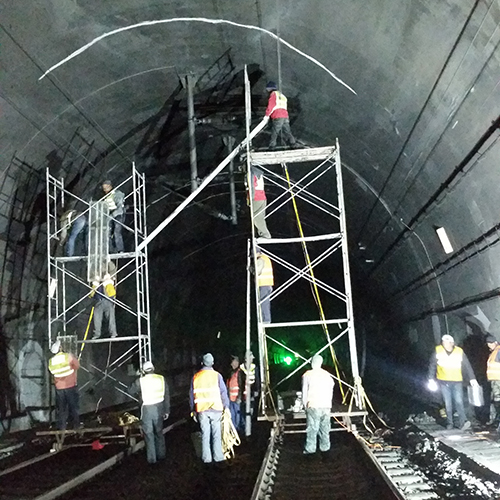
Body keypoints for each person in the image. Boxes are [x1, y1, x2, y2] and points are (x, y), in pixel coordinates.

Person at [428, 334, 479, 430]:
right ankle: (449, 423)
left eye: (447, 342)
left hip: (457, 381)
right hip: (443, 381)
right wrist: (430, 378)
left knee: (459, 401)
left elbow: (467, 365)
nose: (445, 344)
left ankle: (463, 422)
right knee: (448, 403)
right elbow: (432, 365)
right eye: (444, 342)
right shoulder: (438, 350)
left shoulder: (459, 351)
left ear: (452, 343)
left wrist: (472, 378)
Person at [190, 353, 229, 464]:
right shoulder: (217, 376)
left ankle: (206, 459)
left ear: (202, 363)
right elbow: (223, 392)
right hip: (216, 408)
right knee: (217, 434)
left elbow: (192, 395)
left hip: (202, 410)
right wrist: (226, 407)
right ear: (212, 363)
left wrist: (193, 411)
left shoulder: (196, 377)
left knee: (205, 435)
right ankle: (218, 457)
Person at [130, 361, 170, 464]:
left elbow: (130, 391)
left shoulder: (140, 381)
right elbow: (166, 396)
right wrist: (167, 410)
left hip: (146, 410)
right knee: (159, 433)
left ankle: (152, 459)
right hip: (159, 408)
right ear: (153, 368)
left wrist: (137, 376)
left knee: (149, 435)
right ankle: (161, 455)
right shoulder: (161, 379)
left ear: (143, 370)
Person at [302, 354, 334, 457]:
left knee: (312, 429)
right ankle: (325, 449)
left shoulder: (307, 374)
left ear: (312, 363)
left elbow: (304, 392)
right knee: (324, 429)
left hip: (313, 405)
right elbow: (331, 388)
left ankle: (310, 450)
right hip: (326, 406)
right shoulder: (327, 375)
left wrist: (304, 405)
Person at [48, 339, 80, 430]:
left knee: (61, 408)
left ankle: (61, 427)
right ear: (60, 348)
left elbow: (53, 372)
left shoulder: (51, 361)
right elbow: (77, 366)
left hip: (59, 388)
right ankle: (76, 426)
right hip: (70, 386)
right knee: (73, 406)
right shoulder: (68, 356)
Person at [264, 81, 296, 150]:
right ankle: (293, 143)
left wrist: (266, 115)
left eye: (267, 89)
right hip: (285, 115)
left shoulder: (273, 94)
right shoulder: (282, 95)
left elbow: (271, 106)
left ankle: (272, 146)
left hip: (278, 115)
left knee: (275, 131)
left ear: (269, 88)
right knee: (287, 131)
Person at [90, 274, 117, 339]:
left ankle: (113, 333)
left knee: (111, 318)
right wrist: (95, 285)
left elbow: (112, 293)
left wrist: (107, 281)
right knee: (97, 318)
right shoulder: (95, 282)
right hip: (98, 301)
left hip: (108, 300)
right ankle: (97, 334)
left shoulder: (108, 282)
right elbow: (90, 294)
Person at [102, 180, 125, 253]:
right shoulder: (106, 196)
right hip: (110, 214)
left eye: (106, 188)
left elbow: (119, 209)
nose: (104, 190)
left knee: (116, 232)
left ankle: (120, 249)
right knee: (107, 232)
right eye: (103, 188)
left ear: (110, 186)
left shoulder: (117, 194)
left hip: (118, 214)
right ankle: (110, 249)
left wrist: (111, 216)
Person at [248, 167, 271, 239]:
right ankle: (263, 234)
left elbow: (251, 187)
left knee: (256, 218)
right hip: (261, 197)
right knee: (259, 217)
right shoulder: (259, 174)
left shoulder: (251, 173)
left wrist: (250, 199)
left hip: (256, 198)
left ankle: (265, 235)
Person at [227, 356, 245, 432]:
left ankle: (238, 431)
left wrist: (239, 397)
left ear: (237, 362)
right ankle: (234, 431)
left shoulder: (239, 373)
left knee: (238, 416)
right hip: (231, 399)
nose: (231, 364)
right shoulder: (231, 373)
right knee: (233, 416)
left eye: (233, 362)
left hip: (237, 399)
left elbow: (241, 385)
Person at [486, 335, 500, 428]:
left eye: (490, 343)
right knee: (495, 401)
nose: (489, 345)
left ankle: (497, 420)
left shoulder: (498, 352)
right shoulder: (494, 352)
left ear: (495, 342)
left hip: (498, 381)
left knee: (497, 401)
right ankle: (496, 419)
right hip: (494, 380)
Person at [256, 250, 273, 323]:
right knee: (265, 303)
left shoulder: (260, 259)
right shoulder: (266, 258)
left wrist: (251, 268)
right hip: (268, 284)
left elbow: (257, 272)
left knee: (263, 303)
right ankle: (266, 319)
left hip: (263, 284)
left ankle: (265, 320)